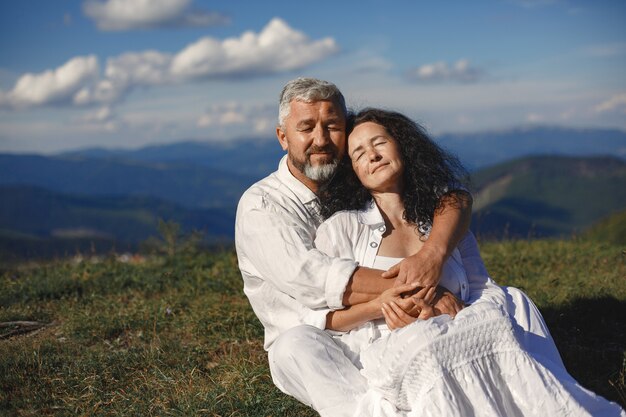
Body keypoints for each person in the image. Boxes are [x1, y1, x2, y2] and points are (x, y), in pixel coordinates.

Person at [314, 107, 625, 416]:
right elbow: (327, 316)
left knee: (506, 310)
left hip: (462, 325)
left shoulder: (440, 219)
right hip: (397, 342)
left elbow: (482, 286)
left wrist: (459, 312)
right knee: (433, 346)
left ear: (401, 146)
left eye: (379, 142)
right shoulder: (340, 230)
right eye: (358, 153)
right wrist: (390, 308)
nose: (373, 155)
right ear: (352, 171)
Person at [235, 77, 473, 417]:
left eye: (332, 126)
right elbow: (312, 278)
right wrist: (425, 287)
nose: (321, 139)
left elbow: (452, 197)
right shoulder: (263, 206)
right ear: (282, 137)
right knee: (295, 346)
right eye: (306, 128)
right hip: (318, 338)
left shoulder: (354, 177)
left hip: (385, 324)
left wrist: (433, 253)